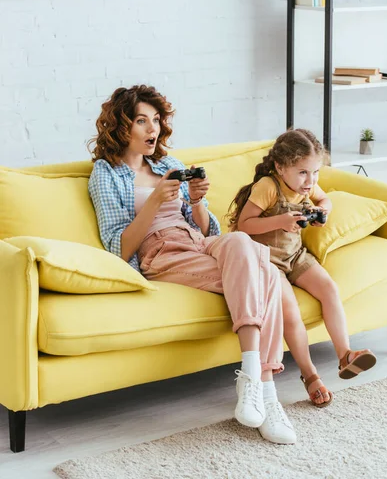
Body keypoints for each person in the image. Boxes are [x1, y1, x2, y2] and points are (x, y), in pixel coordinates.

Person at [87, 84, 296, 445]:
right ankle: (267, 391)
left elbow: (205, 228)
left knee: (241, 242)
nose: (152, 129)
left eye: (156, 120)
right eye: (141, 121)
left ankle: (251, 375)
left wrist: (198, 201)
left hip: (198, 241)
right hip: (161, 252)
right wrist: (153, 201)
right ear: (121, 126)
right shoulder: (105, 174)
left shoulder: (169, 164)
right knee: (269, 275)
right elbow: (118, 249)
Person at [227, 128, 377, 407]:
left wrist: (323, 212)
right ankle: (310, 376)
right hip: (267, 262)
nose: (310, 181)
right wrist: (280, 221)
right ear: (280, 167)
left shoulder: (307, 187)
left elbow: (325, 199)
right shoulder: (268, 187)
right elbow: (244, 226)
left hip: (295, 256)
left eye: (316, 172)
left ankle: (345, 355)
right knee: (291, 312)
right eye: (303, 173)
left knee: (330, 289)